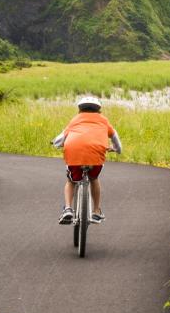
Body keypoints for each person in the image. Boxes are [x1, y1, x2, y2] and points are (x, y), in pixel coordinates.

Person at [51, 95, 122, 224]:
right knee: (94, 179)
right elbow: (115, 137)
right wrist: (117, 149)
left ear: (80, 109)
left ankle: (67, 209)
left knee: (71, 181)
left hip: (74, 154)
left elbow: (61, 137)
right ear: (98, 109)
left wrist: (56, 143)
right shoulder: (103, 120)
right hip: (96, 156)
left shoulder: (75, 120)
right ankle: (96, 211)